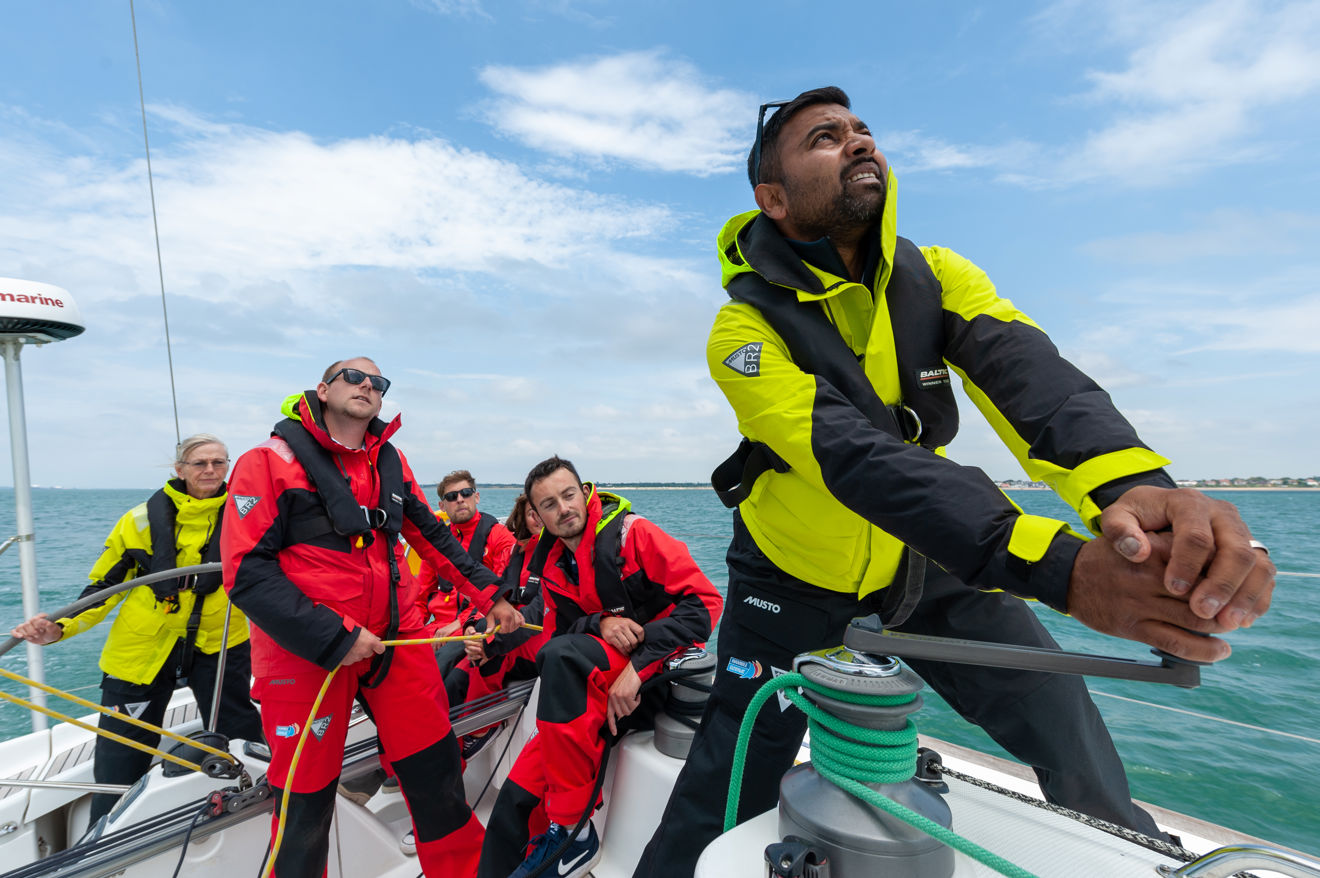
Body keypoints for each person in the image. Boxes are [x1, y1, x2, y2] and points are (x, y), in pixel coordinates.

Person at [633, 87, 1276, 878]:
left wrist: (1137, 494)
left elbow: (1036, 384)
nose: (860, 142)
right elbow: (850, 457)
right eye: (826, 139)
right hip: (789, 581)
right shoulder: (741, 332)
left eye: (864, 130)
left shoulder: (937, 277)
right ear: (774, 198)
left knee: (1068, 734)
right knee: (722, 786)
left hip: (929, 561)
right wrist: (1058, 567)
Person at [221, 358, 523, 878]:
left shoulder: (391, 462)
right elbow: (245, 574)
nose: (367, 385)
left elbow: (433, 537)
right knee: (304, 806)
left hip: (394, 642)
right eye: (354, 377)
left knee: (437, 773)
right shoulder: (265, 463)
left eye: (377, 382)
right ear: (322, 389)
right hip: (307, 654)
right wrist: (334, 636)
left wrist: (491, 595)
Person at [480, 456, 723, 878]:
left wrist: (638, 670)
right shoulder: (553, 564)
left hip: (657, 675)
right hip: (598, 679)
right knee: (511, 803)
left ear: (585, 490)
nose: (563, 508)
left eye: (568, 494)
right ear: (536, 516)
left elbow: (704, 606)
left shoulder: (634, 536)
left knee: (558, 658)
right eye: (549, 505)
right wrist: (600, 622)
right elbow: (561, 630)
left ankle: (573, 832)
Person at [11, 434, 264, 824]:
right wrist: (59, 628)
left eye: (219, 462)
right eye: (200, 463)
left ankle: (255, 807)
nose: (210, 470)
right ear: (179, 470)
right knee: (120, 761)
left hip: (221, 646)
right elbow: (103, 587)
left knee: (243, 735)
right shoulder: (139, 521)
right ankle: (102, 842)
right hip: (141, 651)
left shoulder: (248, 516)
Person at [415, 470, 517, 638]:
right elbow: (420, 597)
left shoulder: (500, 537)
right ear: (442, 506)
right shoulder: (435, 545)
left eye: (466, 493)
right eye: (452, 496)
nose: (460, 499)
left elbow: (502, 592)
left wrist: (460, 624)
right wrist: (412, 632)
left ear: (476, 497)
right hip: (436, 629)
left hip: (475, 625)